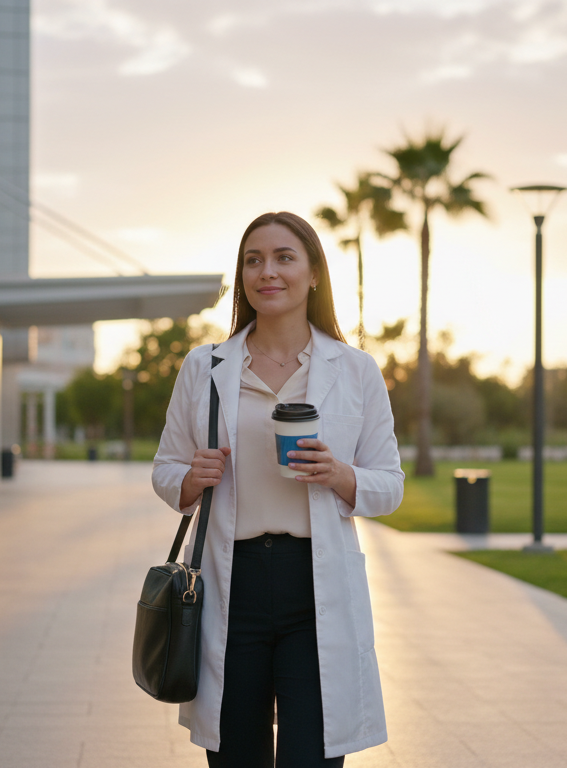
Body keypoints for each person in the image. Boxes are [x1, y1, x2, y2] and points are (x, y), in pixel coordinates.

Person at [152, 212, 405, 766]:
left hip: (315, 589)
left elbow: (389, 485)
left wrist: (339, 474)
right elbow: (166, 468)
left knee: (311, 757)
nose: (268, 271)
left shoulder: (356, 370)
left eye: (284, 257)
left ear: (314, 273)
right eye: (253, 260)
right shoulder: (205, 367)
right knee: (235, 756)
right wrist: (190, 480)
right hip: (229, 586)